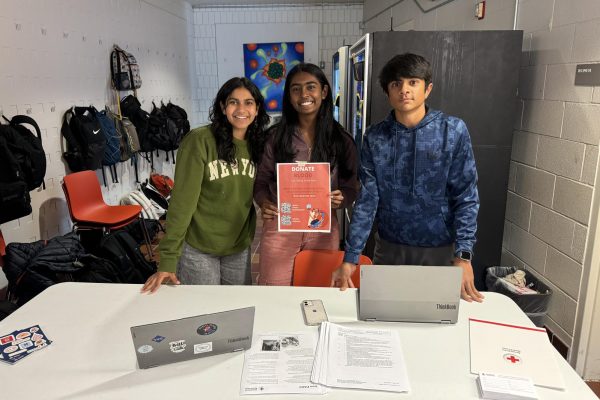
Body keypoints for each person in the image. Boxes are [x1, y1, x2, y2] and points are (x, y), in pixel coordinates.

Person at [330, 53, 484, 302]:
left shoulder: (452, 131)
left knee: (436, 324)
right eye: (396, 84)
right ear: (387, 92)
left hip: (440, 251)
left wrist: (463, 255)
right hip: (390, 249)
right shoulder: (374, 137)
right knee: (386, 318)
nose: (404, 90)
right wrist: (351, 256)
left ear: (427, 88)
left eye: (413, 82)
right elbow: (368, 200)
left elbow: (466, 196)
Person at [141, 77, 270, 293]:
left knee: (235, 308)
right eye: (233, 102)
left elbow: (261, 187)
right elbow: (182, 203)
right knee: (203, 314)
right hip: (198, 248)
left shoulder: (259, 144)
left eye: (248, 102)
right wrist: (168, 258)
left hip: (237, 246)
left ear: (257, 109)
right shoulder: (199, 141)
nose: (241, 109)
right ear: (222, 106)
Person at [254, 63, 358, 286]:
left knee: (317, 292)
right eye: (296, 89)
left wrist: (343, 198)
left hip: (322, 228)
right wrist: (263, 202)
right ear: (289, 96)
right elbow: (261, 181)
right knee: (275, 292)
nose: (304, 95)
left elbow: (351, 185)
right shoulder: (275, 137)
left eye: (311, 87)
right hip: (282, 226)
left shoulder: (341, 139)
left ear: (324, 91)